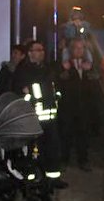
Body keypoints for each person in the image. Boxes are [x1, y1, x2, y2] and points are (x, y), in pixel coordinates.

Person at [12, 40, 67, 188]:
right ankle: (31, 179)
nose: (41, 52)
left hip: (50, 117)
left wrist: (57, 96)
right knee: (33, 151)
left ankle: (53, 178)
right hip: (32, 119)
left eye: (42, 50)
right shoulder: (23, 70)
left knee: (53, 149)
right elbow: (23, 91)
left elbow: (55, 87)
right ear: (30, 53)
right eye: (38, 50)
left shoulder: (47, 68)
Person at [58, 38, 98, 171]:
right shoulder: (63, 65)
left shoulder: (89, 66)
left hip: (84, 107)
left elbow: (96, 84)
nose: (79, 50)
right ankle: (64, 160)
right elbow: (59, 83)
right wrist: (65, 70)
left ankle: (83, 160)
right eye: (76, 48)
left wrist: (89, 71)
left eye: (82, 48)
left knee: (83, 135)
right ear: (71, 50)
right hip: (68, 107)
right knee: (66, 135)